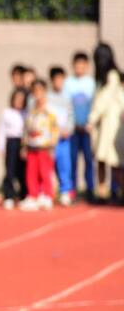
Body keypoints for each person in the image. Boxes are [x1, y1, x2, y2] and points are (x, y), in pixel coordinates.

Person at [88, 43, 124, 202]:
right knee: (101, 161)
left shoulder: (113, 76)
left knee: (115, 162)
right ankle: (102, 192)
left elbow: (104, 100)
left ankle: (120, 190)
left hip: (112, 124)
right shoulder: (103, 78)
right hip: (104, 126)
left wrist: (92, 118)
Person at [19, 80, 60, 211]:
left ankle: (47, 195)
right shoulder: (31, 110)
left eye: (39, 91)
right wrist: (24, 145)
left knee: (44, 172)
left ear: (44, 92)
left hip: (45, 146)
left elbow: (55, 128)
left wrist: (52, 144)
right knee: (31, 172)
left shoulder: (50, 110)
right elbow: (26, 128)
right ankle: (33, 195)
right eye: (34, 91)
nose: (37, 94)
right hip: (32, 145)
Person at [64, 51, 96, 201]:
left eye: (82, 66)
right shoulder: (68, 83)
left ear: (87, 66)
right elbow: (66, 106)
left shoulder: (90, 83)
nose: (79, 68)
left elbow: (94, 105)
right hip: (73, 129)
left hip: (87, 129)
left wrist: (90, 123)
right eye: (77, 65)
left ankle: (90, 189)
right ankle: (73, 190)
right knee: (73, 160)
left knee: (89, 160)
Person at [46, 66, 75, 206]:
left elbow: (70, 116)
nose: (59, 82)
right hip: (51, 139)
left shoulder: (67, 98)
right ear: (52, 81)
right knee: (48, 165)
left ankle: (65, 191)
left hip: (64, 138)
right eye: (56, 80)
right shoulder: (47, 98)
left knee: (64, 165)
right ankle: (48, 191)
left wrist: (67, 130)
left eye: (61, 80)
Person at [0, 88, 28, 210]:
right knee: (10, 170)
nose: (19, 102)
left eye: (22, 99)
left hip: (22, 142)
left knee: (22, 170)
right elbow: (1, 131)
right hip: (11, 142)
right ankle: (8, 195)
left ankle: (22, 195)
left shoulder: (26, 113)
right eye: (17, 99)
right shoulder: (7, 112)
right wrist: (1, 147)